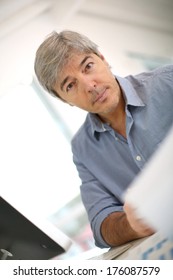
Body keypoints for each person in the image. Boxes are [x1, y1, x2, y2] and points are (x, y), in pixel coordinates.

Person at [34, 30, 173, 248]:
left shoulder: (168, 83)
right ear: (64, 100)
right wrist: (131, 225)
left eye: (88, 66)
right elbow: (101, 224)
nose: (89, 86)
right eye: (70, 85)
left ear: (102, 58)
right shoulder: (82, 149)